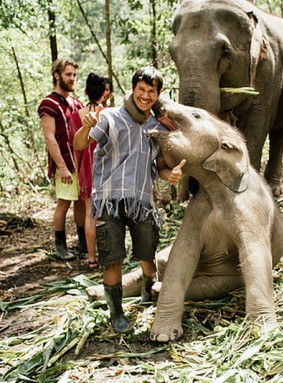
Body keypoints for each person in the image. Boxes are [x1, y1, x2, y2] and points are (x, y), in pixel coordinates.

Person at [73, 66, 185, 334]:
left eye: (151, 91)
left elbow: (159, 167)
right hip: (109, 200)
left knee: (147, 256)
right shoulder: (110, 116)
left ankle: (147, 297)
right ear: (133, 89)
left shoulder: (157, 126)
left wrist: (171, 175)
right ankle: (117, 314)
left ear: (158, 94)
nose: (145, 96)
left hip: (142, 200)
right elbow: (79, 144)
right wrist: (84, 128)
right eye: (141, 90)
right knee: (113, 260)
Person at [38, 58, 86, 260]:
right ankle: (60, 247)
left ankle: (83, 243)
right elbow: (50, 137)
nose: (72, 78)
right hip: (65, 163)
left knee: (82, 202)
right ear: (57, 75)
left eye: (74, 75)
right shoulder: (48, 104)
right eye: (68, 74)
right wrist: (62, 167)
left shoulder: (76, 103)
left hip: (81, 163)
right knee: (64, 203)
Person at [68, 73, 110, 270]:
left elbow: (75, 145)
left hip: (86, 168)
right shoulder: (109, 112)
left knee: (90, 214)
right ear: (104, 92)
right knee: (110, 212)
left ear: (85, 91)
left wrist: (79, 173)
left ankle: (92, 259)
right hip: (107, 167)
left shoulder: (77, 116)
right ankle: (109, 255)